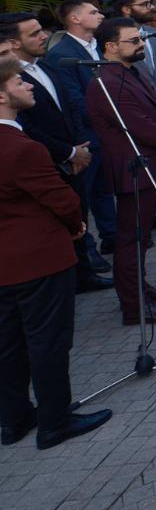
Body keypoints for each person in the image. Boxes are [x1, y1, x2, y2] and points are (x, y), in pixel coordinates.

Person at [0, 57, 114, 450]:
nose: (29, 85)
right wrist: (76, 225)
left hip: (6, 265)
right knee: (47, 342)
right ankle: (55, 422)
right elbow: (64, 201)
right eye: (19, 82)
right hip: (38, 260)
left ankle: (14, 419)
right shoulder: (22, 148)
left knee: (8, 344)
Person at [83, 18, 156, 325]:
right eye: (134, 40)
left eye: (141, 39)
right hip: (134, 169)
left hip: (150, 165)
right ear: (110, 47)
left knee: (140, 238)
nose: (142, 44)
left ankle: (141, 289)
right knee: (132, 239)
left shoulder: (130, 71)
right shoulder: (105, 82)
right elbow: (137, 124)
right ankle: (134, 306)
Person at [44, 0, 116, 254]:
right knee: (83, 195)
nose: (100, 15)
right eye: (93, 12)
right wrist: (109, 118)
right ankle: (87, 252)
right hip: (87, 135)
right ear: (75, 18)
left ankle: (112, 236)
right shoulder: (61, 54)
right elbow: (74, 99)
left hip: (107, 131)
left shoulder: (100, 46)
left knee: (105, 189)